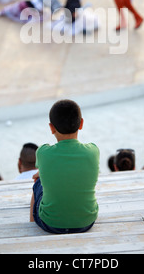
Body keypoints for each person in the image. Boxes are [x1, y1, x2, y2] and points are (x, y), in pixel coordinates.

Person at [30, 99, 100, 234]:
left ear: (51, 128)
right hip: (86, 222)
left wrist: (43, 173)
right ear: (81, 124)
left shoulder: (43, 152)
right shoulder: (93, 151)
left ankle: (32, 225)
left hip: (51, 224)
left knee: (38, 183)